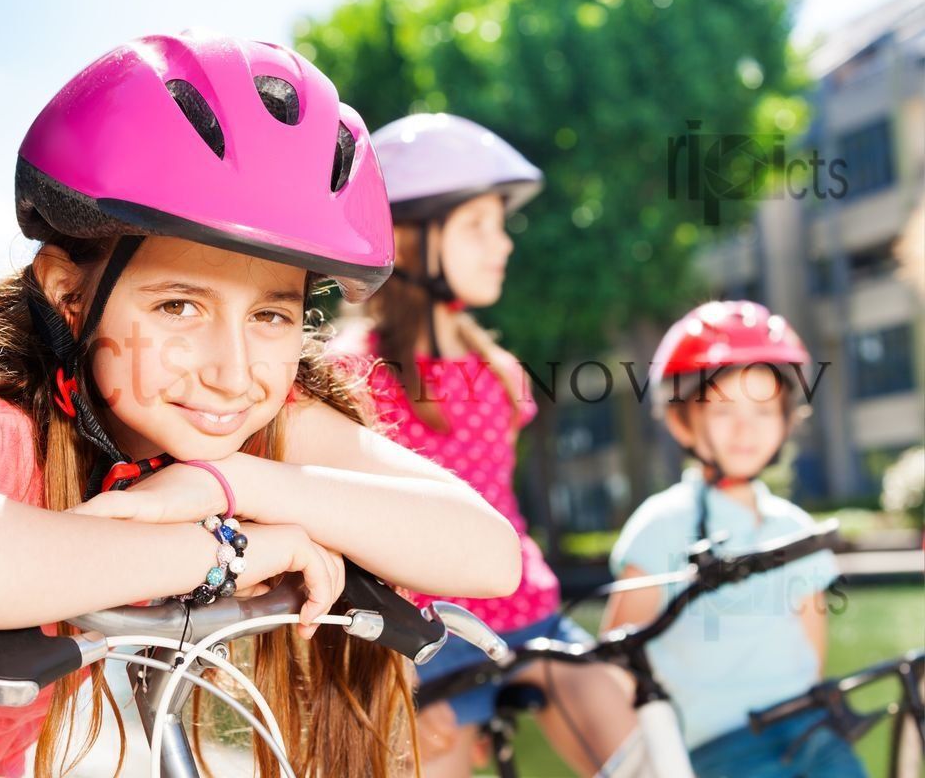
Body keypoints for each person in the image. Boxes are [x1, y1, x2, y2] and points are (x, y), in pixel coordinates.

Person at [0, 33, 524, 778]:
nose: (231, 369)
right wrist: (229, 552)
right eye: (179, 307)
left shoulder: (238, 417)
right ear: (70, 296)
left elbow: (486, 553)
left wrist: (232, 487)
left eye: (272, 315)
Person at [333, 113, 637, 778]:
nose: (502, 244)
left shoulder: (499, 372)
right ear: (407, 241)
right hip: (421, 643)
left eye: (500, 225)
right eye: (476, 225)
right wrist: (386, 681)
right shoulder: (350, 376)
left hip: (530, 618)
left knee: (645, 756)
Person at [603, 300, 865, 777]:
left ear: (787, 419)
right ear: (682, 420)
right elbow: (615, 661)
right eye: (724, 410)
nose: (747, 429)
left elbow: (812, 654)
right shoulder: (660, 523)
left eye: (765, 411)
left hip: (808, 727)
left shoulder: (796, 528)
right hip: (716, 744)